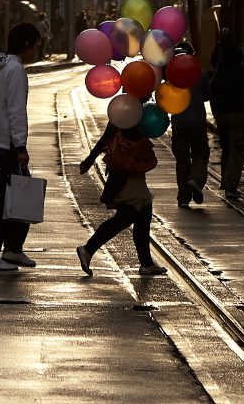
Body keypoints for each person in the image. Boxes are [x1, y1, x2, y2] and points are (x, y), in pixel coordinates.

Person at [0, 22, 41, 272]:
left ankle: (12, 249)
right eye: (35, 44)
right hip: (9, 145)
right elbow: (16, 110)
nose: (36, 49)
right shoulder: (15, 70)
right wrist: (21, 145)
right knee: (9, 199)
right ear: (26, 44)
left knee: (15, 195)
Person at [75, 103, 168, 277]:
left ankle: (146, 263)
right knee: (126, 217)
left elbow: (107, 137)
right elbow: (138, 146)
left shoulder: (124, 110)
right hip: (129, 175)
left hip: (126, 174)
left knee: (143, 214)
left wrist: (90, 159)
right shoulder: (134, 114)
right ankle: (88, 249)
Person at [170, 43, 211, 208]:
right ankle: (195, 180)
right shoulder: (200, 74)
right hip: (197, 125)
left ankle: (183, 197)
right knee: (201, 156)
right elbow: (207, 96)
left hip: (179, 125)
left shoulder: (171, 75)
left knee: (182, 162)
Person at [210, 42, 244, 198]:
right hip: (238, 114)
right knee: (237, 150)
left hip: (222, 116)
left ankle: (224, 181)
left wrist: (216, 114)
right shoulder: (241, 72)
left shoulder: (219, 73)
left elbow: (212, 89)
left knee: (226, 148)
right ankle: (231, 186)